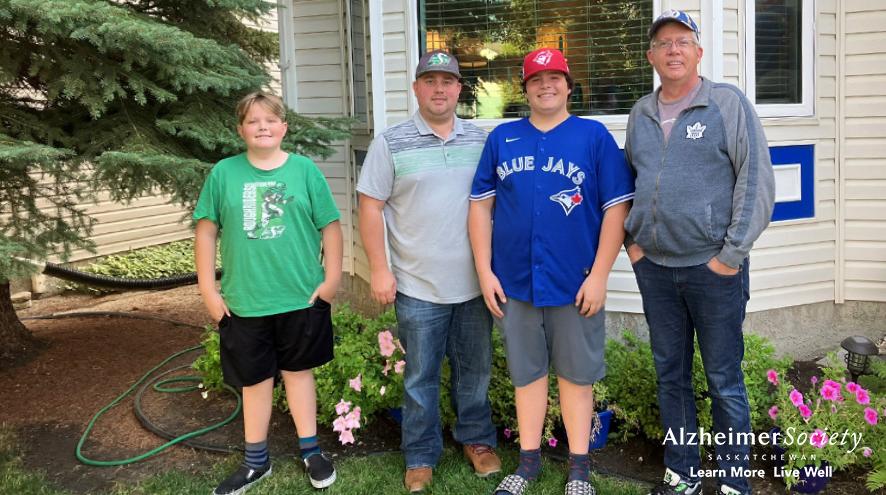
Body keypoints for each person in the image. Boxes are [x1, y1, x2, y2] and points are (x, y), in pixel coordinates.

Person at [469, 47, 634, 495]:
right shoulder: (503, 138)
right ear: (525, 88)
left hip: (575, 282)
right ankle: (527, 465)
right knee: (527, 375)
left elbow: (617, 210)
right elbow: (480, 206)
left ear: (568, 84)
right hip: (516, 283)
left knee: (577, 378)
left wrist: (600, 275)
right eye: (536, 79)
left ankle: (578, 469)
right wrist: (485, 271)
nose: (546, 85)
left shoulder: (593, 137)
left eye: (555, 77)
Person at [624, 10, 775, 495]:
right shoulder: (640, 114)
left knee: (724, 378)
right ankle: (682, 473)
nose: (673, 50)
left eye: (682, 41)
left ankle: (733, 482)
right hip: (656, 271)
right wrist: (633, 244)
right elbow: (630, 183)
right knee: (672, 376)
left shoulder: (726, 104)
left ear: (698, 52)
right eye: (664, 43)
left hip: (714, 271)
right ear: (651, 56)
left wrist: (730, 255)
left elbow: (755, 183)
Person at [356, 50, 500, 493]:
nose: (440, 89)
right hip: (417, 284)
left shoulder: (481, 140)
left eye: (448, 82)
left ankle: (476, 440)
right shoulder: (391, 142)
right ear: (416, 88)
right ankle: (420, 454)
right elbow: (370, 206)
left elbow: (499, 205)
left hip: (475, 283)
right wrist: (380, 270)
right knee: (420, 376)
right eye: (430, 81)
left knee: (475, 371)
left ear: (460, 89)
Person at [194, 91, 343, 494]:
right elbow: (206, 232)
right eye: (253, 121)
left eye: (270, 120)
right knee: (255, 380)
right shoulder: (224, 173)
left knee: (298, 374)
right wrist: (209, 289)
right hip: (246, 300)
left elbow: (330, 225)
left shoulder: (304, 171)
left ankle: (311, 450)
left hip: (300, 297)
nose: (262, 126)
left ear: (284, 127)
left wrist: (331, 280)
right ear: (241, 129)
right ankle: (256, 461)